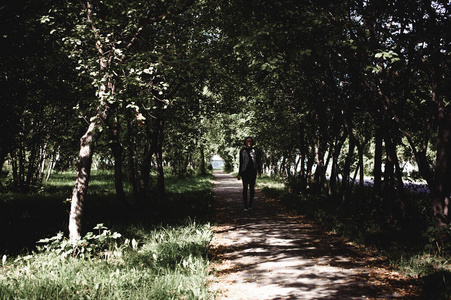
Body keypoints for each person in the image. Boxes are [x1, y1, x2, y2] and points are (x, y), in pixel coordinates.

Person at [237, 136, 262, 211]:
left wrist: (259, 171)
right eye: (247, 141)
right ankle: (245, 206)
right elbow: (241, 162)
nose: (249, 143)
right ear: (245, 142)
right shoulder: (242, 151)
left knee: (252, 188)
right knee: (245, 188)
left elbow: (258, 161)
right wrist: (239, 173)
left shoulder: (255, 150)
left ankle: (250, 203)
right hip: (245, 171)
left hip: (252, 171)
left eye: (250, 141)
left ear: (252, 142)